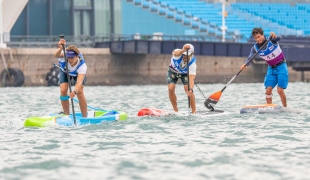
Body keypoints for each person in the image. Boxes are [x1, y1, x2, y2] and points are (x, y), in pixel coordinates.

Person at [240, 28, 288, 107]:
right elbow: (249, 58)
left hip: (281, 67)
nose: (257, 39)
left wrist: (274, 35)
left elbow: (279, 37)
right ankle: (269, 107)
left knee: (280, 90)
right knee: (268, 90)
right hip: (271, 69)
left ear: (262, 35)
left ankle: (285, 108)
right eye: (255, 38)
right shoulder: (255, 48)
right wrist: (245, 64)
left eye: (259, 37)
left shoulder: (271, 40)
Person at [54, 39, 88, 117]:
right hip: (65, 72)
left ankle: (84, 117)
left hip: (76, 73)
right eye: (68, 58)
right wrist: (60, 48)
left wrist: (74, 92)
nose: (69, 60)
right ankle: (66, 115)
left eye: (72, 57)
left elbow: (79, 83)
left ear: (77, 56)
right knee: (63, 90)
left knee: (80, 92)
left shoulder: (82, 66)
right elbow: (55, 55)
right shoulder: (63, 56)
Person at [166, 43, 197, 114]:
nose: (185, 56)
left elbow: (191, 78)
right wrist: (183, 50)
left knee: (188, 89)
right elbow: (175, 54)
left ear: (192, 54)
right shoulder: (178, 53)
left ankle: (194, 112)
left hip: (184, 74)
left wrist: (191, 89)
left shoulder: (192, 64)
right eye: (184, 54)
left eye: (187, 55)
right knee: (171, 88)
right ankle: (175, 110)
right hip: (172, 71)